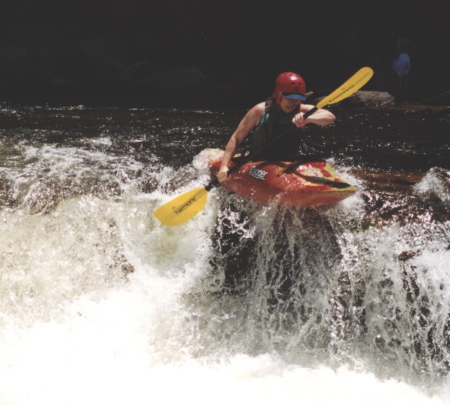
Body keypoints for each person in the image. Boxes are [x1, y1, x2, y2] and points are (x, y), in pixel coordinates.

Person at [216, 72, 336, 183]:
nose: (293, 103)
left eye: (297, 98)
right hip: (259, 162)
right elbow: (236, 138)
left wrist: (308, 119)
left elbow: (330, 117)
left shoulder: (302, 110)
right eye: (289, 97)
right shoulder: (260, 110)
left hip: (288, 162)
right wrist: (224, 166)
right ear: (279, 95)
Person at [392, 34, 418, 101]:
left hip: (401, 57)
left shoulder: (399, 39)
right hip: (407, 57)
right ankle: (405, 98)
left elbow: (397, 48)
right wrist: (410, 56)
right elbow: (415, 47)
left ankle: (399, 97)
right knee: (406, 80)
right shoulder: (407, 40)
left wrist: (397, 56)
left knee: (399, 78)